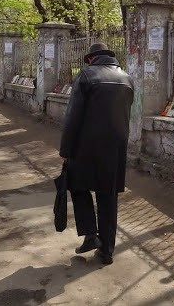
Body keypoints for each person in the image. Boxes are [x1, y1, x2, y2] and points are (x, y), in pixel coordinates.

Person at [59, 43, 134, 265]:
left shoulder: (86, 75)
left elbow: (73, 116)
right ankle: (107, 250)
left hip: (86, 146)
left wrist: (65, 149)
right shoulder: (127, 78)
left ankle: (91, 234)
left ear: (91, 58)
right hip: (116, 147)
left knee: (77, 186)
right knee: (108, 196)